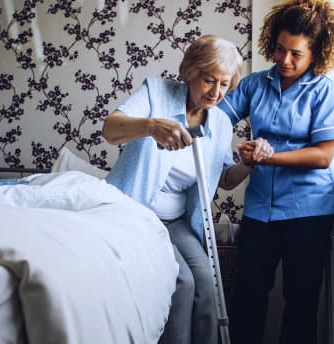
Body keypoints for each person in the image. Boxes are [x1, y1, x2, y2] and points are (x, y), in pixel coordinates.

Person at [101, 34, 273, 344]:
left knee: (206, 282)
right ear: (191, 71)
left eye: (224, 84)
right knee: (181, 282)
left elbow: (225, 179)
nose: (216, 92)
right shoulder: (156, 93)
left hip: (177, 221)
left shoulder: (220, 123)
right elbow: (110, 129)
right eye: (209, 80)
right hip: (137, 214)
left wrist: (249, 163)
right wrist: (152, 125)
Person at [217, 1, 334, 343]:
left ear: (316, 54)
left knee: (301, 303)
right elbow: (216, 118)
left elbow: (324, 155)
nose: (284, 60)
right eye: (279, 49)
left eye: (296, 53)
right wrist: (241, 152)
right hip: (260, 210)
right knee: (247, 298)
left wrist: (268, 156)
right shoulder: (254, 84)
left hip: (309, 210)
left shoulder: (326, 92)